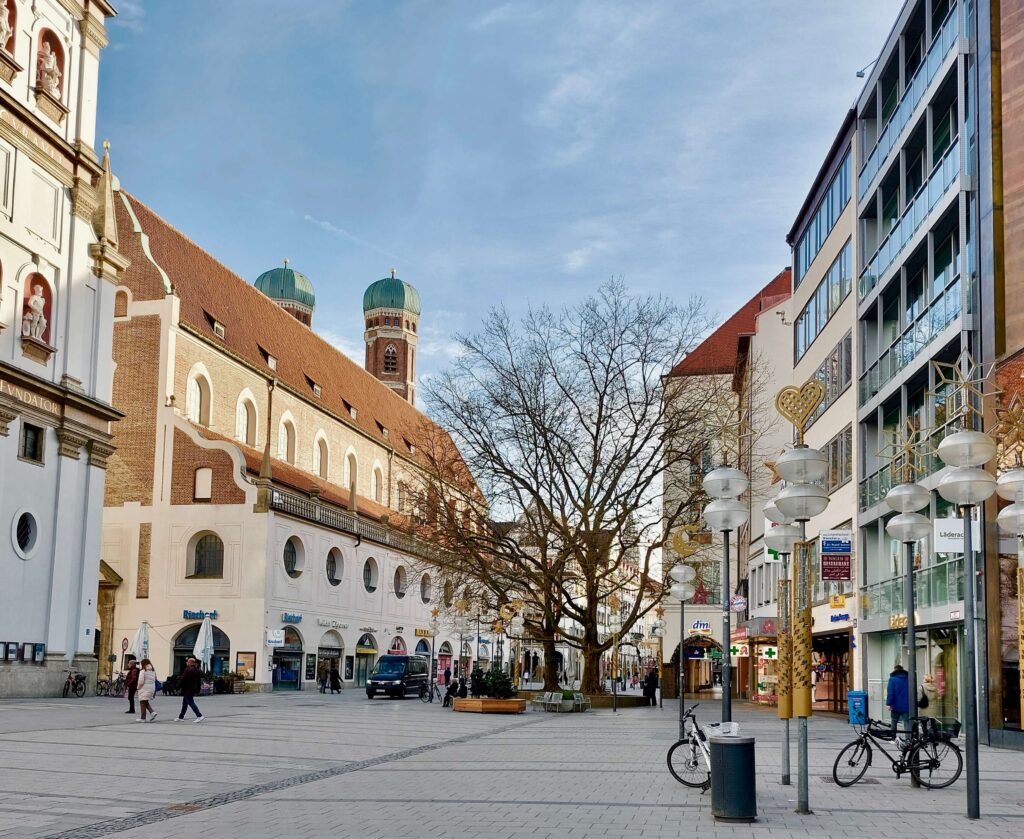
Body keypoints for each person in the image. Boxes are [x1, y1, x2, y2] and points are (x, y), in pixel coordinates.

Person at [175, 657, 205, 723]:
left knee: (190, 702)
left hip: (187, 689)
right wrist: (198, 689)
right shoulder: (196, 670)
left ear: (191, 663)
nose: (187, 663)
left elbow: (183, 679)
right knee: (185, 703)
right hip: (192, 689)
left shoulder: (188, 670)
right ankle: (181, 717)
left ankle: (199, 715)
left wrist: (177, 686)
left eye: (188, 662)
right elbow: (199, 681)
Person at [886, 663, 909, 734]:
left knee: (894, 721)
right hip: (906, 705)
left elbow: (890, 693)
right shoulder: (908, 678)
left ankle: (893, 738)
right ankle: (908, 739)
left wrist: (889, 703)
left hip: (895, 705)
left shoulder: (892, 679)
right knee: (907, 722)